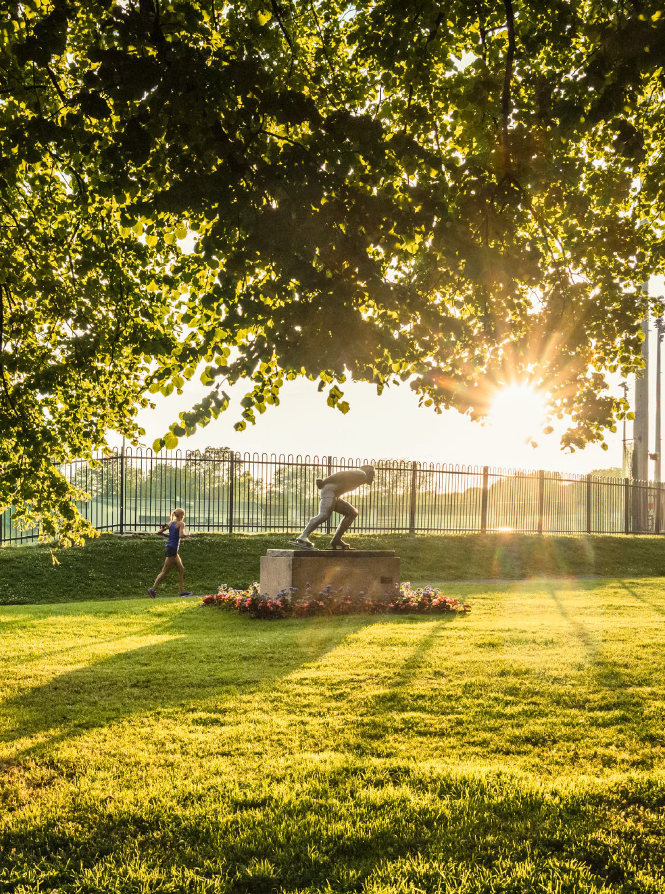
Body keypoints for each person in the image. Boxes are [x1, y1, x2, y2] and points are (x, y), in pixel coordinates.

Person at [292, 464, 375, 550]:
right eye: (373, 475)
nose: (373, 478)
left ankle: (336, 539)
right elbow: (342, 474)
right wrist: (324, 481)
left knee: (352, 512)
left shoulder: (360, 479)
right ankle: (303, 536)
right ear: (369, 472)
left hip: (335, 495)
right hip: (329, 492)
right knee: (324, 515)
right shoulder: (361, 474)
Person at [147, 508, 192, 598]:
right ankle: (152, 589)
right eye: (183, 515)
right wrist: (188, 534)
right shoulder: (181, 524)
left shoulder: (171, 523)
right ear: (181, 516)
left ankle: (182, 591)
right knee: (164, 571)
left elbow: (159, 532)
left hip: (171, 549)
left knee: (181, 569)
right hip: (172, 549)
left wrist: (168, 535)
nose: (183, 517)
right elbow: (181, 535)